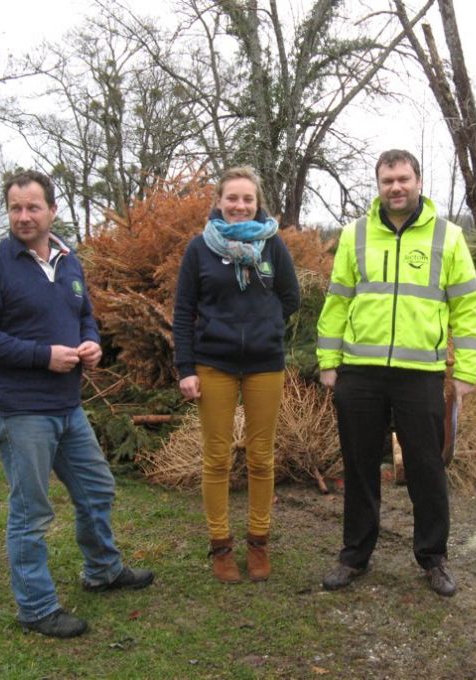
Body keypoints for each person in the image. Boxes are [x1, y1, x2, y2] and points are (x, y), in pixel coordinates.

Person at [0, 170, 154, 639]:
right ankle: (37, 608)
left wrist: (91, 344)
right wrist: (44, 356)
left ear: (51, 210)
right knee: (31, 512)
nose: (23, 217)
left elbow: (84, 314)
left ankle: (102, 570)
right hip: (22, 410)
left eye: (32, 207)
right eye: (15, 208)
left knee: (97, 490)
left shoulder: (69, 260)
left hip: (68, 407)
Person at [316, 149, 476, 597]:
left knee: (428, 469)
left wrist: (465, 371)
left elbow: (468, 307)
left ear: (419, 181)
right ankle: (354, 555)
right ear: (379, 184)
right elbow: (337, 301)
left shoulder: (448, 238)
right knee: (359, 465)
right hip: (360, 374)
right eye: (388, 179)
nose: (396, 187)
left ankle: (433, 558)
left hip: (420, 375)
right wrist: (329, 362)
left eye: (404, 178)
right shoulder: (354, 235)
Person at [172, 166, 300, 584]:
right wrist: (186, 367)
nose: (240, 206)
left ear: (257, 202)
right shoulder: (199, 250)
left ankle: (259, 543)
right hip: (214, 365)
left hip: (265, 364)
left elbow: (290, 297)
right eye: (232, 198)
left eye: (247, 199)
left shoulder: (272, 246)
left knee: (262, 458)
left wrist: (264, 325)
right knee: (217, 458)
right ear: (219, 202)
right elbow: (183, 312)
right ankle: (221, 547)